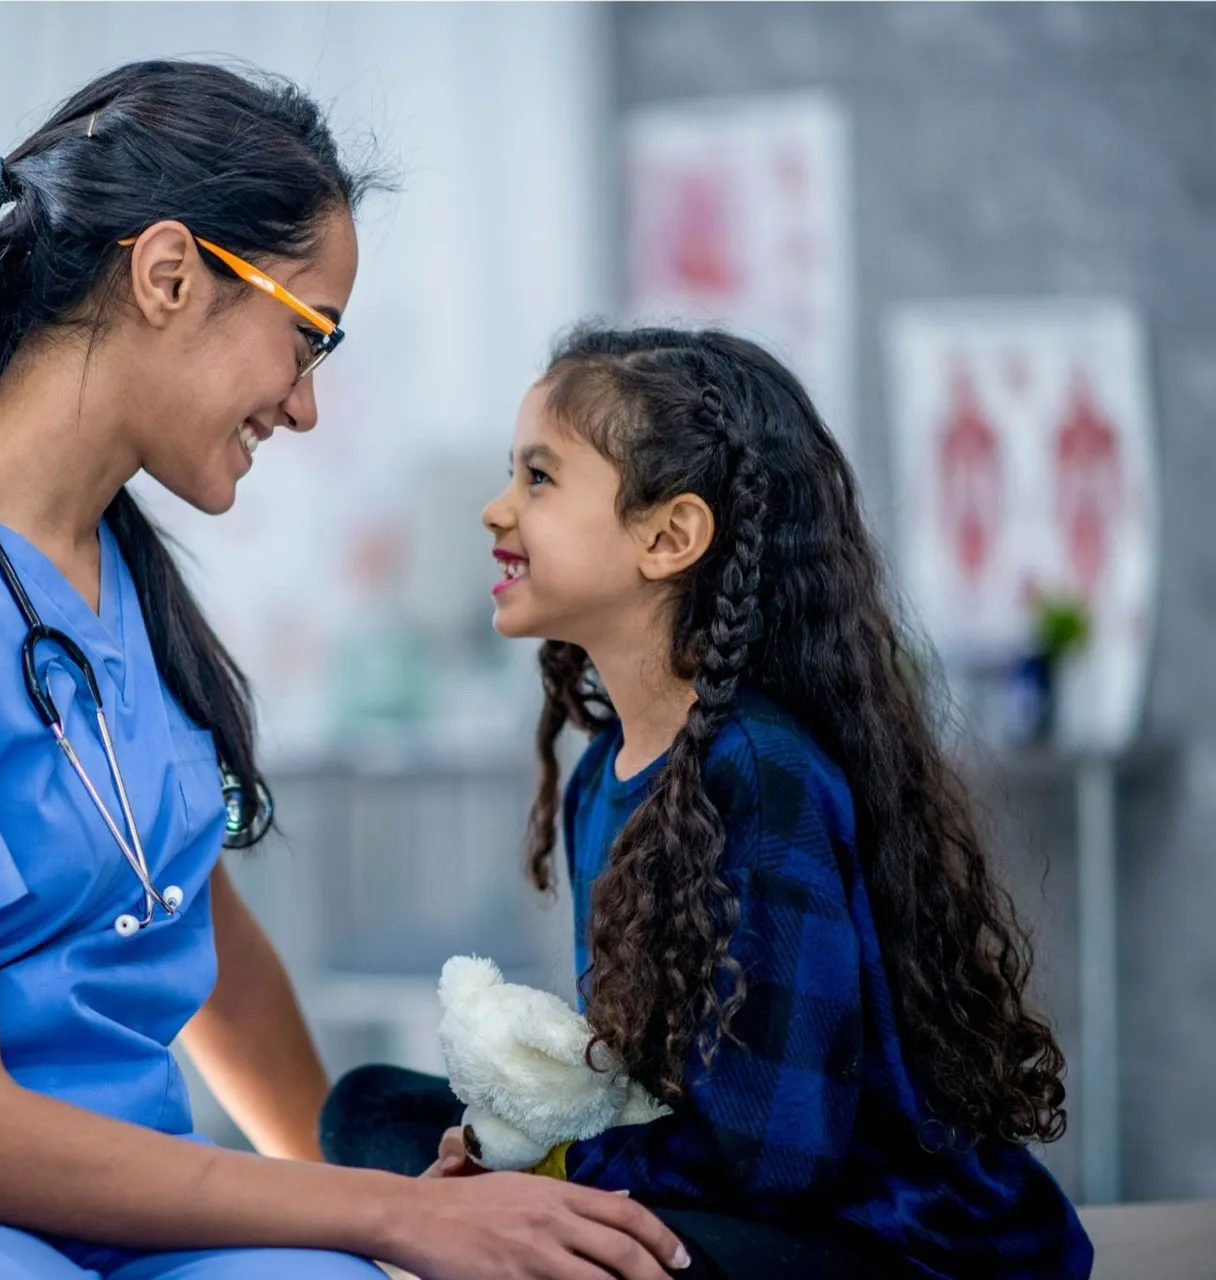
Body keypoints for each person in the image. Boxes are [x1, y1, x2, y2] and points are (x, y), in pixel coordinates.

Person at [0, 62, 690, 1280]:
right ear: (169, 273)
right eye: (305, 338)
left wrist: (390, 1223)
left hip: (102, 1196)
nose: (303, 406)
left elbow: (198, 934)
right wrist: (386, 1213)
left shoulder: (125, 584)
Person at [321, 327, 1095, 1280]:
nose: (496, 510)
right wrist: (503, 1154)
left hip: (868, 1239)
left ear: (669, 536)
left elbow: (776, 1160)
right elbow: (635, 1087)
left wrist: (542, 1173)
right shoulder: (603, 773)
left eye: (538, 479)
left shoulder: (759, 774)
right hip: (716, 1186)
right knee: (365, 1111)